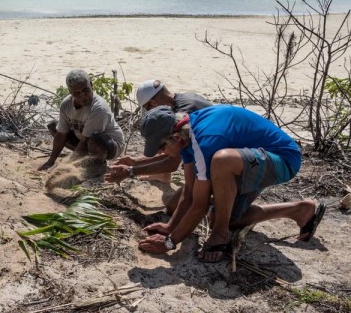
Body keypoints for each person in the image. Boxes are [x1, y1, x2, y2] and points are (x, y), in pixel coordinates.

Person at [136, 105, 324, 263]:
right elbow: (191, 192)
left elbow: (199, 205)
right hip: (250, 159)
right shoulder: (186, 136)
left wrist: (170, 242)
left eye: (161, 147)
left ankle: (220, 235)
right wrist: (171, 227)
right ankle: (298, 210)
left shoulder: (205, 139)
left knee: (222, 160)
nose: (162, 153)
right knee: (225, 218)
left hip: (282, 159)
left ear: (175, 137)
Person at [104, 80, 212, 213]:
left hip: (211, 159)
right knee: (164, 139)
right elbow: (169, 152)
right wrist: (135, 162)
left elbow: (172, 162)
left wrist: (131, 170)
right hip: (206, 151)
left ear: (153, 103)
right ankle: (162, 176)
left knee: (173, 207)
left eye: (148, 108)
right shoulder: (183, 98)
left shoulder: (182, 113)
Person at [38, 69, 125, 171]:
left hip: (111, 145)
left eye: (85, 90)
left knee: (94, 140)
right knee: (54, 128)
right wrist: (51, 161)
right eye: (77, 93)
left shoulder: (99, 108)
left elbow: (85, 141)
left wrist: (67, 166)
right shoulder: (66, 104)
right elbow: (61, 134)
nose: (83, 95)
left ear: (91, 85)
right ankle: (85, 159)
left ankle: (98, 167)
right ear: (70, 92)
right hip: (84, 139)